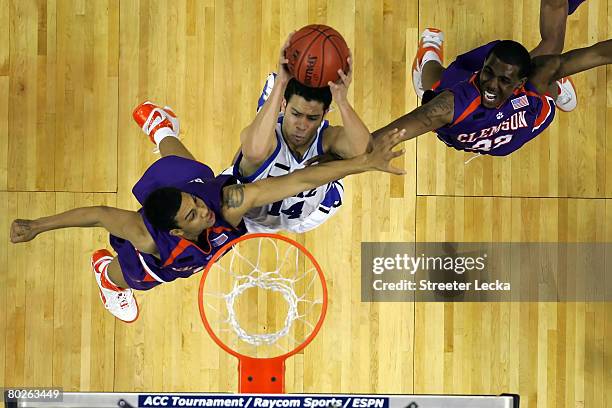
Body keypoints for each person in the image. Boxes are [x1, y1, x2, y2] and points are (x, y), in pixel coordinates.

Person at [10, 102, 407, 323]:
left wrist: (363, 164)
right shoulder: (146, 236)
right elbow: (96, 214)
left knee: (193, 174)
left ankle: (163, 130)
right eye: (195, 214)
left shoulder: (223, 203)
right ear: (177, 230)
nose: (204, 211)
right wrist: (35, 226)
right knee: (132, 275)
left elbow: (298, 182)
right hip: (153, 254)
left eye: (197, 205)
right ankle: (105, 276)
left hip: (184, 188)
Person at [376, 0, 609, 156]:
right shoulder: (451, 104)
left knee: (550, 67)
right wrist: (354, 160)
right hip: (462, 121)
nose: (491, 85)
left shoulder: (535, 77)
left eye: (505, 81)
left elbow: (600, 53)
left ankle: (555, 84)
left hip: (531, 101)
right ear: (483, 67)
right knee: (435, 82)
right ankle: (427, 58)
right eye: (488, 73)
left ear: (520, 83)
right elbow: (390, 135)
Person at [223, 34, 371, 233]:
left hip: (309, 214)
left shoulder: (326, 139)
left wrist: (342, 101)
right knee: (257, 146)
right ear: (285, 105)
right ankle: (272, 97)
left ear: (325, 113)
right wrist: (281, 83)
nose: (302, 125)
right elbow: (253, 150)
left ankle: (272, 107)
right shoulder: (267, 145)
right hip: (250, 218)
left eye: (312, 118)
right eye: (296, 114)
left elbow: (364, 151)